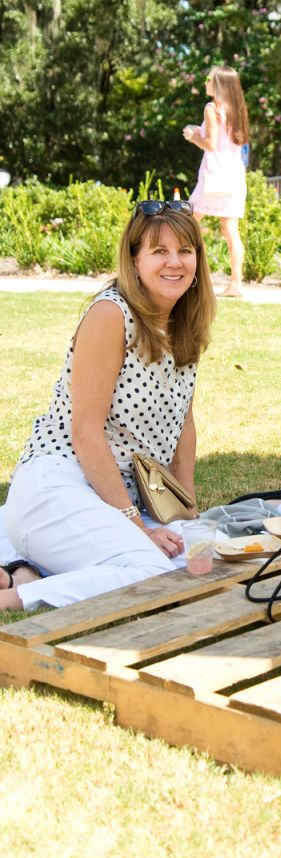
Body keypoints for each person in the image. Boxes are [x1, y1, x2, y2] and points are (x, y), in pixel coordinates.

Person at [0, 201, 216, 611]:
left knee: (201, 554)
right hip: (60, 482)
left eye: (185, 251)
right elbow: (86, 434)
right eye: (159, 251)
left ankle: (22, 566)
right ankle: (18, 595)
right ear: (134, 260)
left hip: (113, 495)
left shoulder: (182, 322)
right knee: (152, 571)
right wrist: (136, 527)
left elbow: (184, 422)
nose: (175, 263)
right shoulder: (110, 315)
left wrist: (186, 513)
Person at [183, 64, 249, 298]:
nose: (206, 82)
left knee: (186, 222)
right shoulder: (238, 109)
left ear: (219, 83)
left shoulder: (211, 108)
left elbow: (210, 144)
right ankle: (236, 283)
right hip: (233, 177)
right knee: (231, 230)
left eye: (210, 78)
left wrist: (192, 136)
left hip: (213, 177)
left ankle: (192, 277)